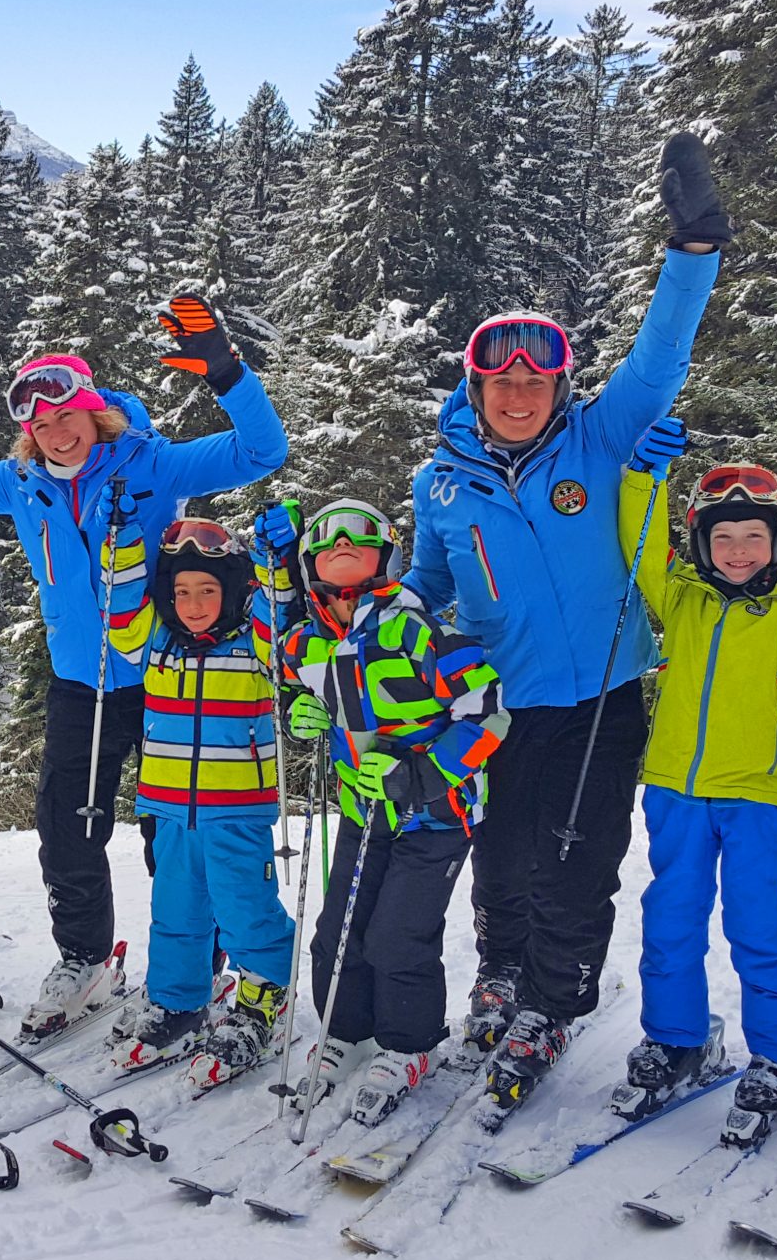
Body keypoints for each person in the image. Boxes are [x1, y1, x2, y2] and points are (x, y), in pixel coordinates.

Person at [406, 132, 732, 1108]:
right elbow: (426, 579)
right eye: (500, 380)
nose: (517, 393)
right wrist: (400, 621)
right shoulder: (441, 482)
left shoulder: (603, 434)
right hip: (500, 703)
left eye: (535, 380)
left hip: (601, 696)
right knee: (501, 856)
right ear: (476, 387)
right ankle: (502, 973)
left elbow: (660, 350)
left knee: (576, 860)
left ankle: (553, 1000)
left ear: (559, 387)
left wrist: (695, 252)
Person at [0, 293, 288, 1039]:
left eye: (66, 414)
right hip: (79, 681)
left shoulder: (152, 463)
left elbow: (261, 451)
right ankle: (86, 956)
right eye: (39, 423)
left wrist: (227, 371)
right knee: (66, 827)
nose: (56, 432)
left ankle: (206, 959)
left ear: (94, 411)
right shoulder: (20, 483)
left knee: (176, 831)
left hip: (167, 676)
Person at [613, 407, 777, 1132]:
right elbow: (640, 542)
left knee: (758, 926)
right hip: (675, 791)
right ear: (699, 544)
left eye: (753, 537)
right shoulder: (681, 599)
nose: (736, 550)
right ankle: (676, 1039)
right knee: (669, 921)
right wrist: (645, 474)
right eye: (721, 537)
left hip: (758, 795)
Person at [280, 500, 507, 1127]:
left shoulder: (412, 628)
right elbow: (299, 681)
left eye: (361, 541)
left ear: (387, 559)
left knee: (397, 932)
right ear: (310, 569)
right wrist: (306, 713)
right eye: (328, 547)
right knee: (337, 931)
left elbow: (488, 713)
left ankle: (407, 1045)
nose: (344, 547)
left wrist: (420, 773)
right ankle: (346, 1029)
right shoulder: (307, 641)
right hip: (364, 809)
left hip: (436, 813)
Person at [102, 517, 295, 1088]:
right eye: (182, 591)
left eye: (208, 590)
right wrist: (125, 541)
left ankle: (266, 1000)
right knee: (178, 913)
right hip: (168, 808)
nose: (193, 604)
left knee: (245, 910)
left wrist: (274, 560)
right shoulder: (157, 640)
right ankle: (177, 1002)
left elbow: (281, 620)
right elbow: (120, 614)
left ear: (231, 591)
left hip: (237, 808)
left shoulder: (255, 645)